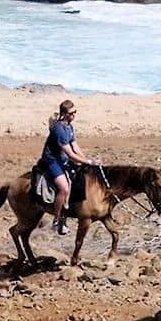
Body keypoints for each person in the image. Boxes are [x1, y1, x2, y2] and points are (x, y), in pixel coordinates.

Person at [41, 100, 98, 236]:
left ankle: (69, 210)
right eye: (72, 113)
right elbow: (70, 154)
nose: (74, 115)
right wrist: (88, 161)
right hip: (53, 161)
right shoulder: (59, 130)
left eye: (75, 112)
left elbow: (75, 146)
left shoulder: (69, 127)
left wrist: (86, 160)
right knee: (64, 188)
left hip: (63, 159)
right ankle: (57, 220)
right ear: (64, 114)